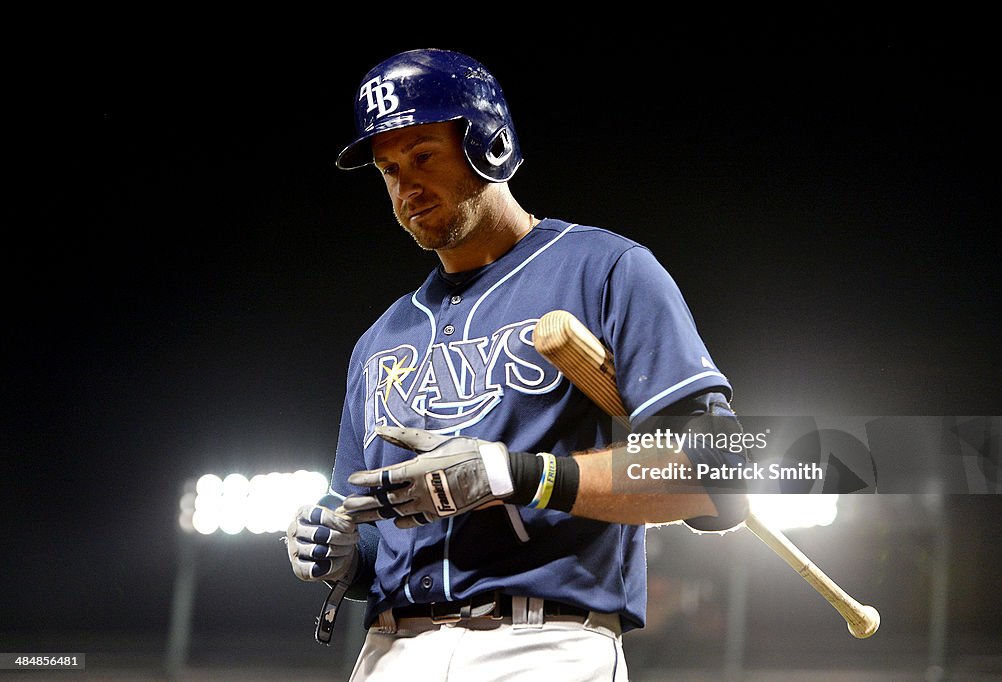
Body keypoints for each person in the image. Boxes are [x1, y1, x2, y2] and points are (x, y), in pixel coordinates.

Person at [286, 48, 749, 681]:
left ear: (490, 145)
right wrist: (342, 553)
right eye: (388, 168)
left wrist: (520, 475)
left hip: (543, 642)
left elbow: (721, 470)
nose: (405, 187)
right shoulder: (380, 338)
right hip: (392, 648)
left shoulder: (606, 270)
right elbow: (369, 530)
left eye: (423, 155)